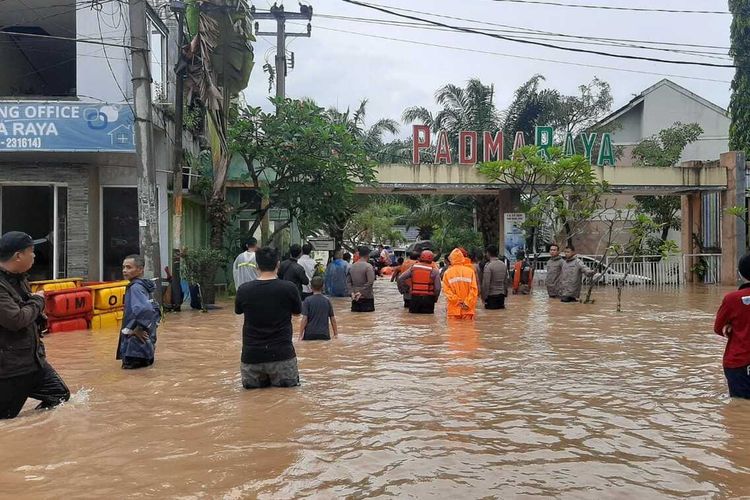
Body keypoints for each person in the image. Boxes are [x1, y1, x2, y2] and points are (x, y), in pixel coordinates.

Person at [0, 232, 70, 419]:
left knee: (59, 395)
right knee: (6, 419)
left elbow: (25, 311)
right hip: (10, 368)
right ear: (18, 256)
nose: (35, 256)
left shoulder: (19, 278)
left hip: (33, 360)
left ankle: (36, 434)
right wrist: (38, 301)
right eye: (31, 251)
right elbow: (15, 320)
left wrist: (38, 314)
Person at [235, 246, 302, 389]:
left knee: (251, 404)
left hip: (251, 356)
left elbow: (238, 311)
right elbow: (297, 313)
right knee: (286, 402)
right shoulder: (289, 288)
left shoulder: (244, 290)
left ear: (257, 266)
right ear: (278, 264)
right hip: (282, 355)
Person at [714, 254, 750, 398]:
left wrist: (729, 327)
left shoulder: (731, 299)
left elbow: (718, 328)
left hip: (738, 362)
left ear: (740, 273)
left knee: (739, 406)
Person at [117, 255, 161, 369]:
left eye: (128, 267)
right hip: (146, 348)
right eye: (123, 267)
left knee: (129, 382)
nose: (124, 270)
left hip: (134, 348)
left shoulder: (135, 288)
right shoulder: (145, 287)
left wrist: (139, 328)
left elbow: (145, 310)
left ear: (140, 269)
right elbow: (155, 312)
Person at [397, 250, 441, 314]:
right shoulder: (435, 271)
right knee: (428, 319)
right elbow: (438, 288)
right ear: (432, 259)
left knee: (413, 320)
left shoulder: (413, 268)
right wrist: (436, 298)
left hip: (415, 297)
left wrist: (403, 289)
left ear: (420, 257)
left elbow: (400, 278)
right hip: (428, 299)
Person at [441, 248, 479, 320]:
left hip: (453, 309)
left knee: (454, 330)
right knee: (468, 329)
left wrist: (458, 302)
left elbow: (447, 291)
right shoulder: (470, 271)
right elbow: (474, 290)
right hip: (468, 309)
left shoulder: (447, 273)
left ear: (451, 259)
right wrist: (467, 303)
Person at [299, 276, 338, 341]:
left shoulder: (307, 300)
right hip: (324, 334)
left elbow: (304, 319)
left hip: (309, 334)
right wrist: (336, 334)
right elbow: (332, 319)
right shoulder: (327, 300)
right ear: (323, 287)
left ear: (311, 287)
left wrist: (300, 335)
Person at [347, 245, 376, 312]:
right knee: (367, 320)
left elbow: (348, 282)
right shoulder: (368, 266)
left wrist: (351, 293)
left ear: (359, 255)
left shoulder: (352, 266)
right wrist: (361, 292)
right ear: (368, 255)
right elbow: (370, 282)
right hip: (367, 298)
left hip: (354, 298)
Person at [481, 244, 509, 310]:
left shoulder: (488, 266)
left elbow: (486, 284)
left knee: (490, 317)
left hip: (491, 297)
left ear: (488, 253)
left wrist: (484, 297)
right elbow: (506, 282)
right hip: (501, 297)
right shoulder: (503, 265)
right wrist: (505, 293)